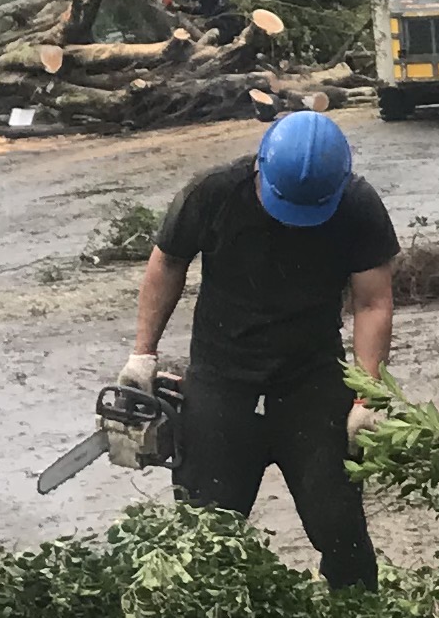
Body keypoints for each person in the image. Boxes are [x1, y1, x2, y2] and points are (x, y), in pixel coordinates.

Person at [125, 110, 401, 590]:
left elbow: (372, 302)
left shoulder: (357, 206)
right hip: (221, 384)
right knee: (204, 536)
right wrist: (142, 355)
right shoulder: (213, 193)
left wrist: (368, 394)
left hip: (313, 384)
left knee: (341, 531)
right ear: (261, 167)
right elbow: (167, 263)